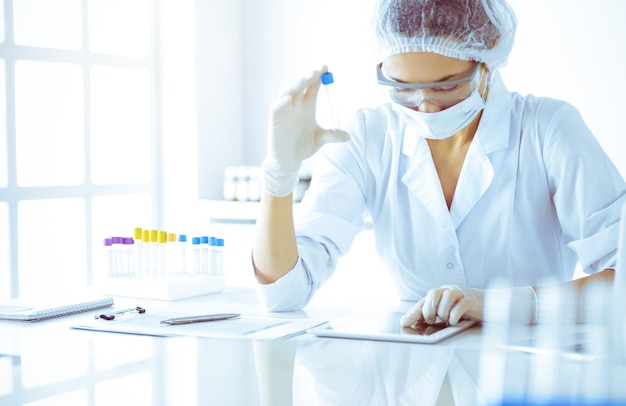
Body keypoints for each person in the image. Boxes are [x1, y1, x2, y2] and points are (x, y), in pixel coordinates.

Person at [252, 0, 626, 326]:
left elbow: (620, 278)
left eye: (446, 87)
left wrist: (503, 306)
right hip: (416, 372)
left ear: (487, 61)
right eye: (402, 87)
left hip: (524, 372)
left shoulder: (548, 128)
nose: (425, 106)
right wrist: (278, 175)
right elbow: (283, 294)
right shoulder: (368, 135)